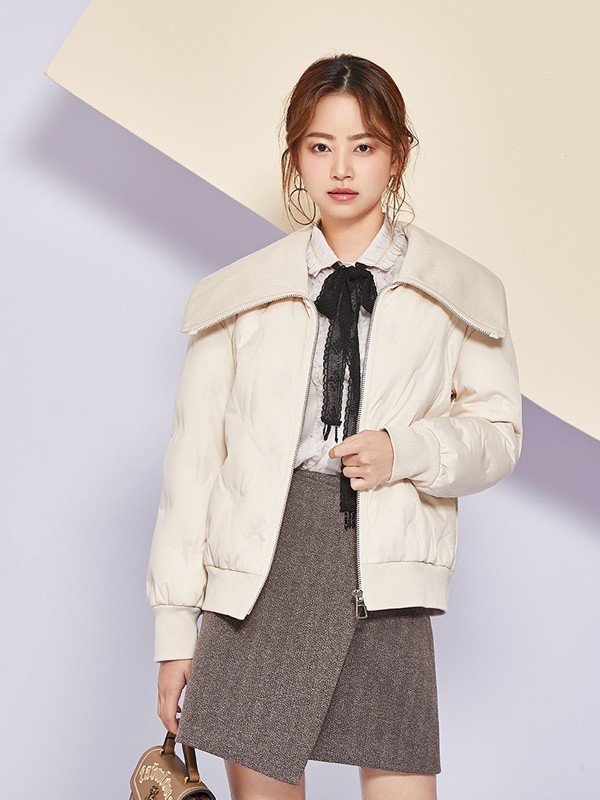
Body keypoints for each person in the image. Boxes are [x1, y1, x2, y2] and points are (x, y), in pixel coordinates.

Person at [145, 53, 523, 800]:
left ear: (398, 155)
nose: (341, 168)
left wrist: (406, 449)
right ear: (295, 156)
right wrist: (173, 632)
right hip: (260, 570)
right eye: (320, 146)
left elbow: (499, 436)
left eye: (365, 145)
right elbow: (194, 469)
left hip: (385, 566)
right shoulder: (240, 295)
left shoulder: (458, 291)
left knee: (401, 779)